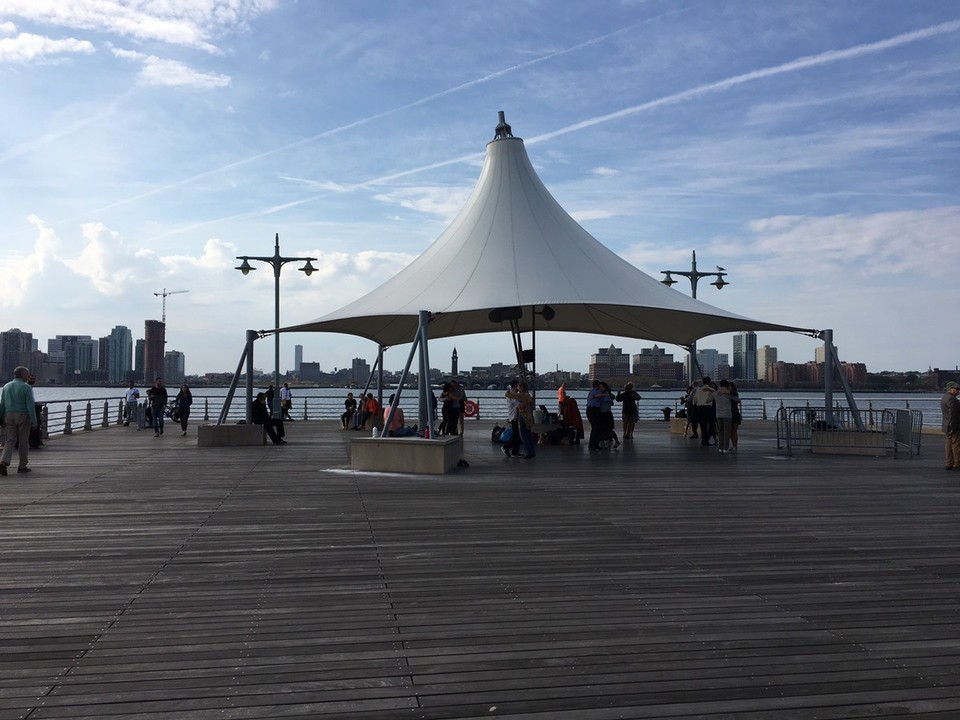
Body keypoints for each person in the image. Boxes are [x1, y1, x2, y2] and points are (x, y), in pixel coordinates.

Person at [0, 366, 38, 475]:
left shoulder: (6, 386)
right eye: (27, 374)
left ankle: (4, 461)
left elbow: (2, 404)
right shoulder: (26, 388)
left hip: (9, 415)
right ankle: (22, 466)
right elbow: (30, 406)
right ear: (22, 375)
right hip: (23, 415)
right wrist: (34, 420)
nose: (28, 376)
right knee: (23, 441)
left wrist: (1, 418)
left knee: (10, 440)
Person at [942, 381, 960, 471]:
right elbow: (953, 415)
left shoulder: (944, 398)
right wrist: (954, 427)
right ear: (950, 389)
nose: (958, 391)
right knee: (956, 445)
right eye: (956, 389)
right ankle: (957, 463)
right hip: (953, 426)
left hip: (947, 425)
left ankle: (949, 463)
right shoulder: (952, 399)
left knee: (948, 445)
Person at [597, 381, 619, 449]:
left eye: (601, 387)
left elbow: (607, 400)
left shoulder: (605, 394)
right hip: (603, 413)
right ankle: (607, 442)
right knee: (604, 429)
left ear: (605, 387)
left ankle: (615, 441)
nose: (600, 388)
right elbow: (612, 400)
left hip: (606, 413)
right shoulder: (606, 393)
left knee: (608, 429)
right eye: (599, 387)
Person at [693, 377, 716, 446]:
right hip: (709, 408)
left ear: (702, 382)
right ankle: (706, 439)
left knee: (703, 426)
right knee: (712, 425)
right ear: (709, 382)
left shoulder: (698, 390)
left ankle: (704, 440)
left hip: (700, 408)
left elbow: (695, 400)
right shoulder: (712, 390)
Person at [714, 379, 733, 453]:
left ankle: (720, 447)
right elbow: (737, 399)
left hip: (718, 414)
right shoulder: (729, 393)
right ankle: (725, 448)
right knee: (727, 432)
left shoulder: (716, 393)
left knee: (720, 431)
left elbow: (708, 400)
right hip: (727, 414)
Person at [585, 379, 604, 451]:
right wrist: (605, 394)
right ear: (598, 385)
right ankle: (594, 445)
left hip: (589, 410)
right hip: (594, 410)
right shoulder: (598, 391)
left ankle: (592, 445)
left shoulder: (591, 391)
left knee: (594, 428)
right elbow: (605, 398)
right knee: (596, 428)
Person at [729, 382, 742, 451]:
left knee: (734, 430)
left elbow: (737, 400)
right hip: (730, 413)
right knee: (731, 431)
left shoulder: (734, 394)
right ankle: (733, 445)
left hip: (734, 413)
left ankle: (735, 445)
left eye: (730, 387)